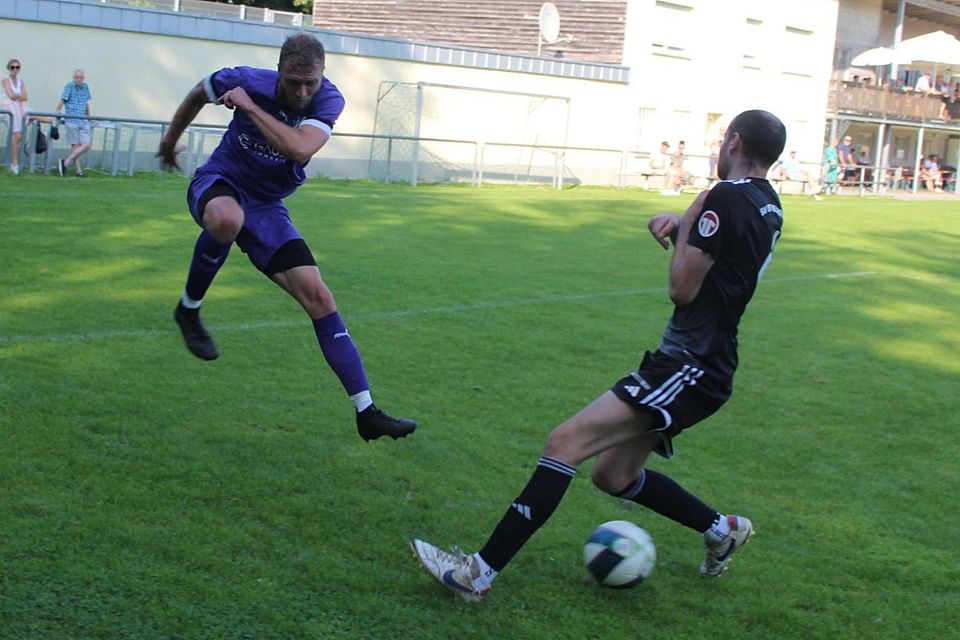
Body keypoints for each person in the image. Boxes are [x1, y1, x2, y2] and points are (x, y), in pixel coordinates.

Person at [411, 109, 787, 601]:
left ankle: (476, 573)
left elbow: (681, 288)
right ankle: (722, 529)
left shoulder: (719, 198)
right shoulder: (769, 203)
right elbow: (730, 259)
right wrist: (685, 230)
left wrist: (691, 216)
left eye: (721, 139)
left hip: (689, 365)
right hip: (706, 364)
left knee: (564, 441)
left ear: (733, 142)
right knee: (613, 474)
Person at [157, 33, 417, 442]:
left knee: (319, 296)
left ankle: (366, 412)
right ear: (278, 70)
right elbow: (196, 93)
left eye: (309, 83)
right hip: (221, 182)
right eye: (293, 81)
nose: (301, 91)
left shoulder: (328, 100)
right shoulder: (243, 78)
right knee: (226, 218)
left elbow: (299, 148)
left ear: (322, 76)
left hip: (268, 208)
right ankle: (189, 310)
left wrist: (246, 106)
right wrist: (169, 142)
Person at [55, 69, 93, 177]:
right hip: (71, 120)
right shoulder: (69, 86)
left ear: (83, 78)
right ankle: (78, 171)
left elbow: (86, 103)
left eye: (80, 77)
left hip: (83, 120)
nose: (78, 79)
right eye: (76, 77)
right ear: (73, 78)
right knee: (75, 146)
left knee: (86, 145)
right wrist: (57, 112)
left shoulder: (86, 87)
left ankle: (65, 162)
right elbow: (62, 100)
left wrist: (89, 117)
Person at [2, 59, 31, 174]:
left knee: (34, 115)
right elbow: (10, 95)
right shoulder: (5, 80)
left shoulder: (21, 81)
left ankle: (53, 122)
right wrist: (18, 97)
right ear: (9, 68)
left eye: (17, 67)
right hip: (9, 108)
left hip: (20, 107)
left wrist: (17, 97)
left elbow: (25, 97)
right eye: (12, 67)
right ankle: (14, 163)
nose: (15, 69)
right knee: (17, 135)